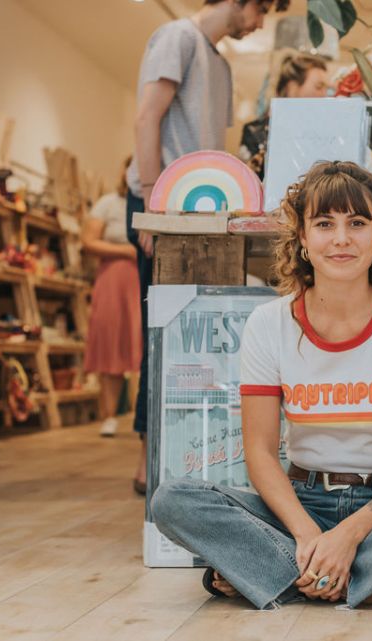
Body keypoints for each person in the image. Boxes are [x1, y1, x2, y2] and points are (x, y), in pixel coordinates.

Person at [151, 161, 372, 610]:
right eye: (324, 224)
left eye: (357, 223)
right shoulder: (268, 324)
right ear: (303, 241)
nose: (341, 238)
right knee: (173, 500)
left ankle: (280, 577)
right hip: (298, 505)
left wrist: (348, 537)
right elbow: (258, 452)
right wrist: (310, 535)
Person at [126, 0, 288, 494]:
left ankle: (179, 457)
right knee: (162, 334)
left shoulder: (218, 61)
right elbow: (146, 118)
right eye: (261, 9)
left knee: (189, 338)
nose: (261, 22)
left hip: (204, 211)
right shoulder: (177, 37)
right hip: (167, 207)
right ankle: (148, 462)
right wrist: (155, 206)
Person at [82, 158, 141, 438]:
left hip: (140, 278)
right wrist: (125, 252)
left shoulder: (148, 202)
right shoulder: (108, 203)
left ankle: (140, 414)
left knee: (140, 341)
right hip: (113, 279)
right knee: (110, 341)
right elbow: (89, 241)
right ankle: (109, 416)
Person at [238, 53, 330, 179]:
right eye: (319, 87)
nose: (324, 94)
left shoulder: (325, 133)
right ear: (292, 88)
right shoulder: (255, 132)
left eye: (327, 88)